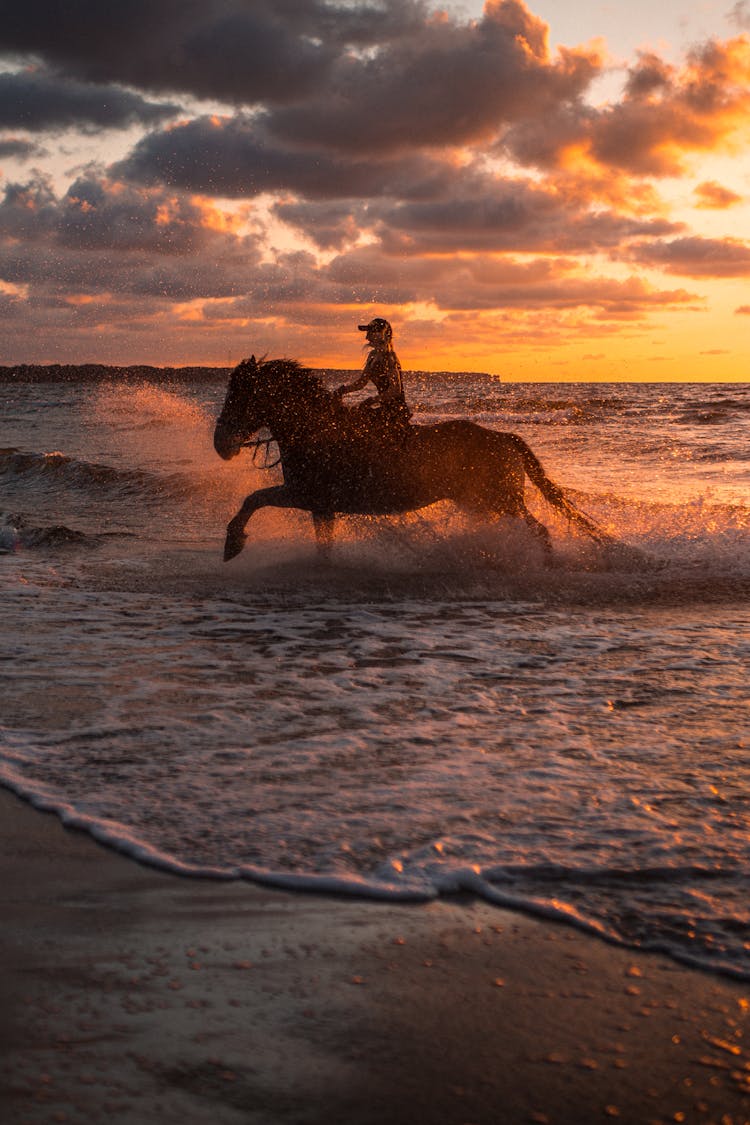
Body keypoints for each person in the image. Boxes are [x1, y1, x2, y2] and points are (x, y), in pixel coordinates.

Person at [335, 317, 412, 437]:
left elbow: (395, 390)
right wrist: (342, 390)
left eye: (370, 332)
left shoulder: (389, 358)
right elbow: (361, 383)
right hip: (384, 408)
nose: (367, 337)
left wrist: (372, 400)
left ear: (381, 334)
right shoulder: (372, 356)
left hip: (396, 411)